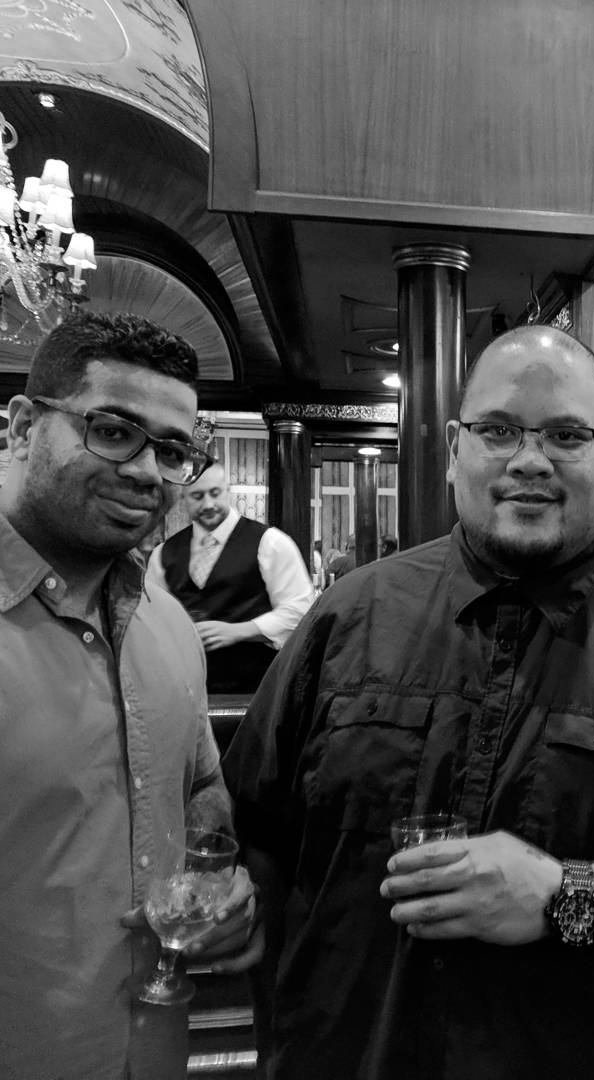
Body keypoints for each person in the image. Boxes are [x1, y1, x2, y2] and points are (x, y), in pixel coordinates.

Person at [224, 325, 594, 1080]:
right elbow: (253, 834)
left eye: (567, 434)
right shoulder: (346, 618)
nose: (529, 460)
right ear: (454, 448)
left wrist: (566, 896)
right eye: (498, 430)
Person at [0, 311, 261, 1080]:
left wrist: (220, 886)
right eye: (113, 431)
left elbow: (200, 784)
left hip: (153, 1052)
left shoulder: (167, 622)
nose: (148, 471)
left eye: (172, 451)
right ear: (23, 426)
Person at [146, 461, 315, 694]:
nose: (208, 504)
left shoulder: (271, 543)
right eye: (197, 496)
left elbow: (300, 611)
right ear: (183, 499)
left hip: (257, 691)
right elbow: (151, 619)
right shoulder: (163, 553)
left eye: (215, 493)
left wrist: (240, 630)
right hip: (187, 689)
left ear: (228, 491)